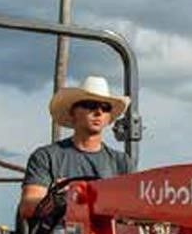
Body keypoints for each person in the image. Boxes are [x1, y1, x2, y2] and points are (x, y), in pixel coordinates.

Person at [19, 75, 135, 218]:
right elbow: (29, 206)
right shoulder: (46, 157)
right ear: (73, 112)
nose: (98, 112)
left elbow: (132, 210)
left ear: (108, 117)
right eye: (90, 105)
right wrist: (62, 200)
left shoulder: (121, 162)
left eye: (105, 108)